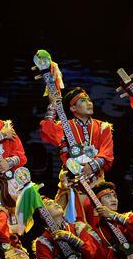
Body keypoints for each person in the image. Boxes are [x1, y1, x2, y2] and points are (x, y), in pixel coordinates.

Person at [40, 86, 114, 227]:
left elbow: (107, 153)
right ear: (73, 108)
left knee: (100, 227)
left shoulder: (103, 127)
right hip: (72, 186)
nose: (89, 103)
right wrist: (52, 105)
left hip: (96, 185)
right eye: (83, 100)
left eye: (89, 100)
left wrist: (91, 166)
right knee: (68, 227)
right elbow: (47, 131)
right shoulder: (65, 126)